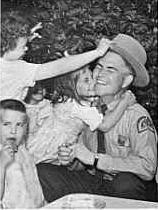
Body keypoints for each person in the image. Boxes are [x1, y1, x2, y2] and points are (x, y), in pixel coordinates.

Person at [37, 34, 158, 202]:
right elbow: (83, 159)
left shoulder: (136, 115)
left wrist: (96, 160)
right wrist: (71, 158)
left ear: (126, 81)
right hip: (96, 184)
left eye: (111, 69)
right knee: (43, 171)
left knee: (126, 182)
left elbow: (147, 167)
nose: (100, 74)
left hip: (122, 190)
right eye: (99, 66)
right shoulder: (88, 109)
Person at [28, 64, 135, 164]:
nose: (93, 83)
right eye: (86, 80)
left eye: (92, 78)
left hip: (44, 142)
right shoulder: (79, 107)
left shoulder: (69, 100)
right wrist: (124, 101)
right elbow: (105, 125)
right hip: (47, 148)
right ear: (72, 86)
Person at [0, 11, 110, 101]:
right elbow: (58, 67)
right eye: (23, 46)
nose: (26, 48)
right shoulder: (18, 69)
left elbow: (10, 46)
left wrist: (24, 38)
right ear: (6, 47)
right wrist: (97, 52)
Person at [0, 99, 45, 208]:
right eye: (6, 124)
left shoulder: (23, 151)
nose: (13, 131)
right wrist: (1, 165)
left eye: (19, 125)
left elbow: (35, 189)